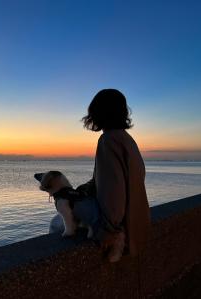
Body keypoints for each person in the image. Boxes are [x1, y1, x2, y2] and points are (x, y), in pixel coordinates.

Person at [77, 89, 151, 262]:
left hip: (120, 224)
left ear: (97, 113)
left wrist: (110, 229)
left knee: (75, 205)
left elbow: (114, 190)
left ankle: (117, 236)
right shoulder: (127, 139)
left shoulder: (108, 140)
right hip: (138, 219)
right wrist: (88, 187)